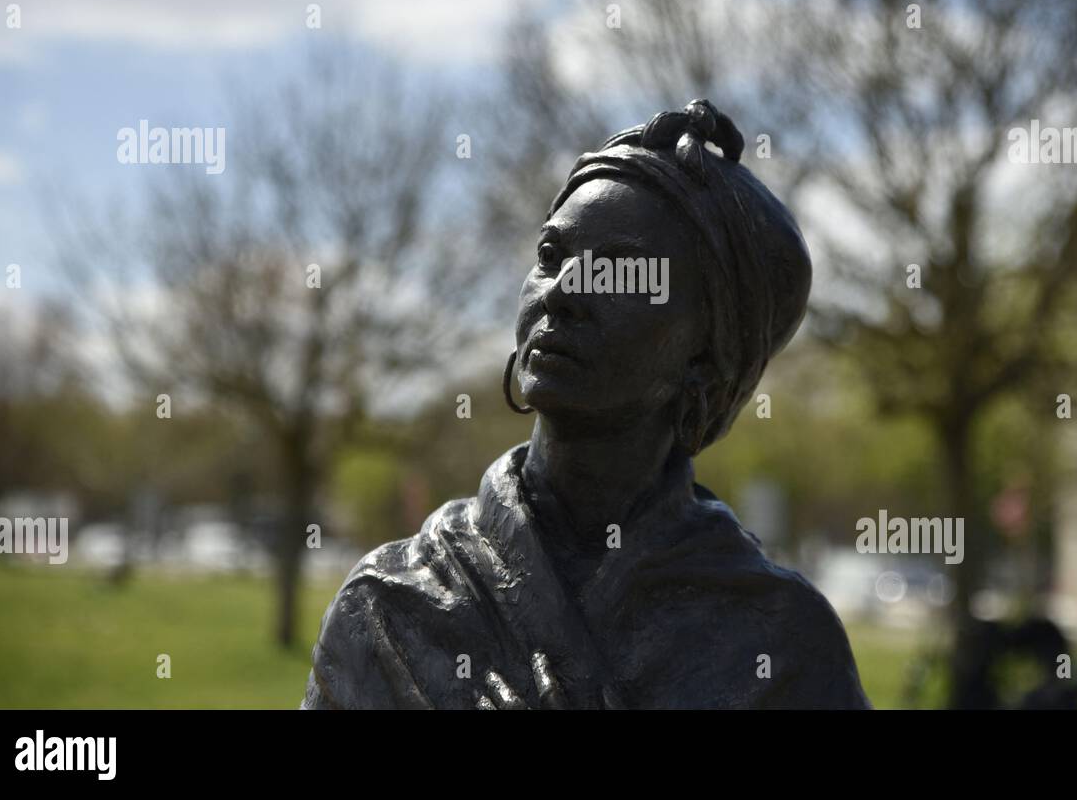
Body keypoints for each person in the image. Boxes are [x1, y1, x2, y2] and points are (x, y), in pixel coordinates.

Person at [302, 100, 871, 709]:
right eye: (551, 257)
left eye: (621, 276)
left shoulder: (784, 644)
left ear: (706, 359)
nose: (564, 292)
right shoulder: (390, 605)